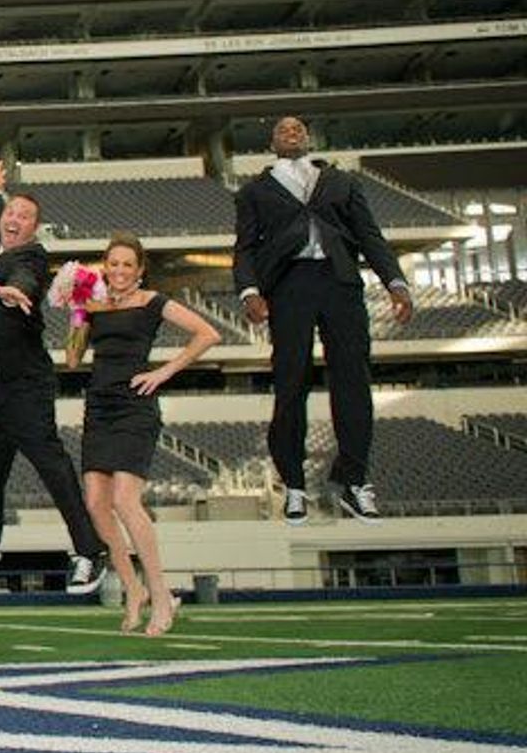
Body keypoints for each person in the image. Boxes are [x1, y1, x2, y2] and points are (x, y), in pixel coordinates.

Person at [232, 115, 413, 523]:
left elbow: (370, 235)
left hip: (340, 281)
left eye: (298, 129)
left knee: (353, 381)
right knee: (290, 381)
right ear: (271, 142)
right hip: (289, 285)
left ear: (308, 138)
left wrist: (396, 283)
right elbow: (243, 248)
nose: (291, 132)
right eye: (283, 130)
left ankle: (353, 481)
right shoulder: (254, 192)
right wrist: (250, 290)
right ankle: (293, 484)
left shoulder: (342, 182)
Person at [0, 159, 108, 593]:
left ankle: (90, 551)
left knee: (51, 466)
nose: (15, 220)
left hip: (25, 384)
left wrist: (15, 291)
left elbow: (26, 275)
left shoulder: (30, 257)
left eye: (25, 217)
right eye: (10, 213)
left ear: (35, 229)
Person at [76, 235, 223, 634]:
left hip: (135, 406)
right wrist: (77, 311)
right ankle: (132, 588)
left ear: (140, 270)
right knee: (95, 503)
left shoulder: (153, 301)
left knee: (125, 500)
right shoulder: (95, 305)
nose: (120, 271)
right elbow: (73, 358)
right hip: (98, 407)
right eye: (113, 264)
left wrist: (163, 372)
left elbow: (208, 334)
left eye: (128, 265)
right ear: (105, 267)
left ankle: (161, 594)